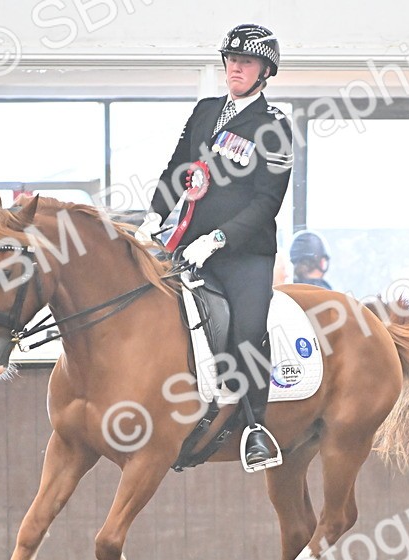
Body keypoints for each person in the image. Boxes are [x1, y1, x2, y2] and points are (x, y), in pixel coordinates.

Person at [135, 23, 293, 471]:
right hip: (184, 246)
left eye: (246, 62)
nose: (236, 68)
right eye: (231, 60)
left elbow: (267, 202)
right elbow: (178, 169)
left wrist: (219, 238)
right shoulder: (206, 110)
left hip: (244, 256)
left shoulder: (274, 126)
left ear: (265, 71)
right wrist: (153, 217)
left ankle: (255, 428)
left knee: (245, 331)